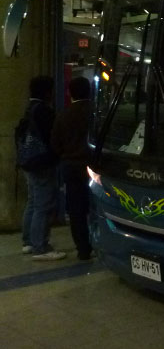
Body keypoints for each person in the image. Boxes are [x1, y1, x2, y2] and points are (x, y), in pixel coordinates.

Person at [20, 75, 66, 261]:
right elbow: (53, 138)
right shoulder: (44, 111)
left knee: (32, 202)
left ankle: (29, 242)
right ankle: (41, 247)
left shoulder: (29, 109)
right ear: (47, 91)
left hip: (29, 161)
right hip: (42, 163)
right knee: (43, 205)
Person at [51, 76, 93, 260]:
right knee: (98, 206)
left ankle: (83, 249)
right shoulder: (95, 113)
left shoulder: (63, 115)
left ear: (70, 92)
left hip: (70, 166)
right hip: (94, 167)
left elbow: (55, 144)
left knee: (76, 210)